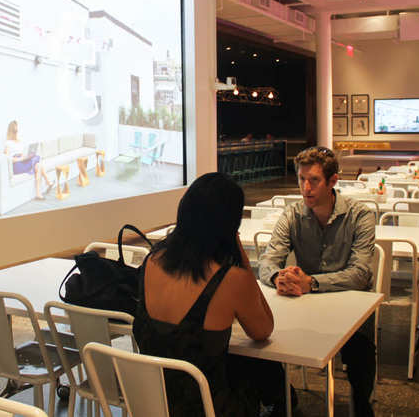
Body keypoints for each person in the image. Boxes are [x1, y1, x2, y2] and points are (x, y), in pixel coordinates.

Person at [133, 172, 287, 417]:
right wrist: (244, 263)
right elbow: (263, 330)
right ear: (230, 224)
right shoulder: (230, 280)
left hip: (153, 402)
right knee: (273, 379)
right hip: (207, 408)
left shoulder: (152, 260)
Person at [258, 147, 376, 417]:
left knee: (361, 347)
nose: (306, 188)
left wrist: (310, 283)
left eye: (314, 180)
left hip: (349, 303)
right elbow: (267, 261)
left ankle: (361, 403)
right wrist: (279, 277)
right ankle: (281, 398)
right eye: (301, 179)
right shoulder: (292, 214)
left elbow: (360, 274)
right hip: (304, 301)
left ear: (333, 181)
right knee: (260, 338)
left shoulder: (360, 215)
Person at [3, 120, 53, 200]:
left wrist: (26, 156)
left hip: (23, 161)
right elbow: (8, 160)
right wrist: (21, 158)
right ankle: (48, 182)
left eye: (17, 130)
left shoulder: (20, 142)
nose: (17, 132)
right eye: (15, 130)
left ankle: (38, 193)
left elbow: (22, 153)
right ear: (11, 131)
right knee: (37, 160)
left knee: (38, 165)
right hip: (17, 165)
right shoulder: (7, 143)